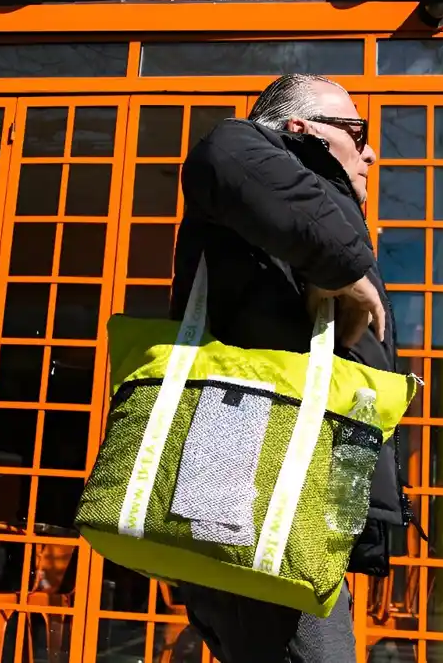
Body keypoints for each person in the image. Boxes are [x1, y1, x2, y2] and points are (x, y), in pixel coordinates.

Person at [168, 73, 410, 663]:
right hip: (245, 481)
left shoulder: (308, 221)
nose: (370, 150)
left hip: (289, 496)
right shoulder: (251, 163)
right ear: (299, 130)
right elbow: (222, 149)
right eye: (356, 131)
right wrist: (346, 264)